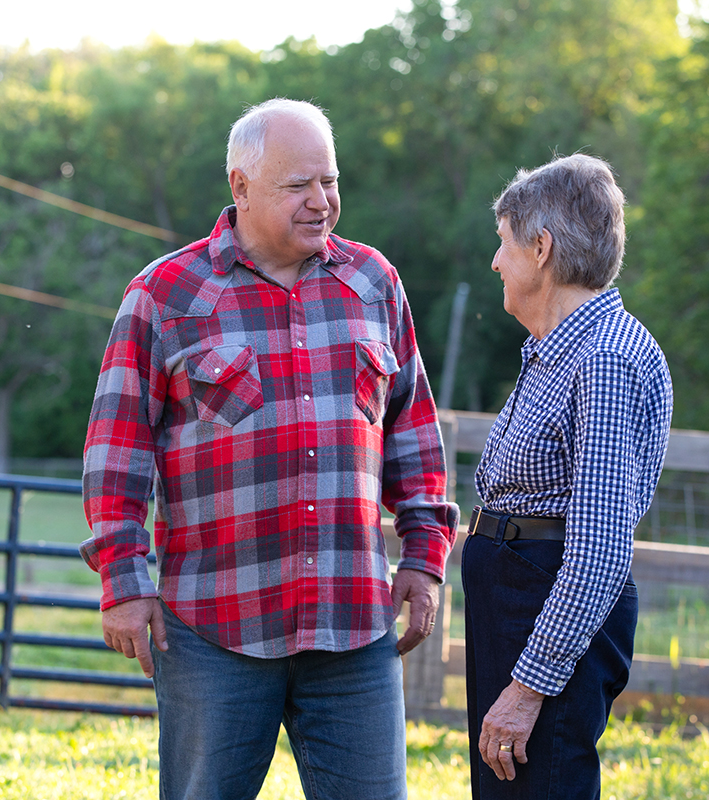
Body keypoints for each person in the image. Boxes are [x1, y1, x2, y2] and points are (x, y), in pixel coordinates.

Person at [80, 98, 459, 800]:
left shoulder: (374, 282)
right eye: (299, 187)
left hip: (353, 624)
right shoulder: (164, 295)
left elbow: (412, 432)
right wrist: (124, 586)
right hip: (214, 627)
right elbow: (116, 451)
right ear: (240, 187)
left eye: (331, 181)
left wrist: (426, 560)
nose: (322, 202)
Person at [462, 153, 673, 800]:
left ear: (542, 247)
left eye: (503, 244)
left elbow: (600, 550)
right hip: (518, 598)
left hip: (543, 608)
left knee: (542, 785)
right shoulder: (561, 347)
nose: (496, 262)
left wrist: (528, 687)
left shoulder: (604, 360)